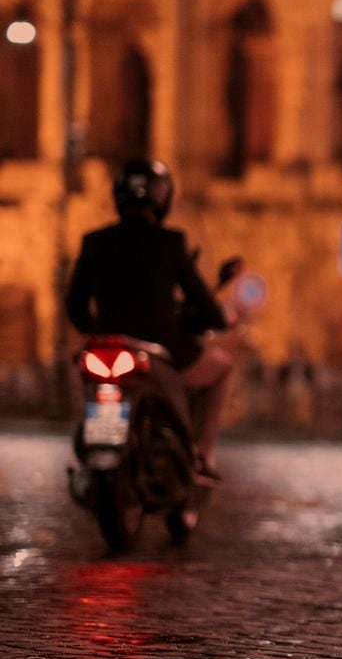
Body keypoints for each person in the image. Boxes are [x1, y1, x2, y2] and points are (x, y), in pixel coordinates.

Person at [65, 159, 234, 481]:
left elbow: (75, 304)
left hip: (105, 348)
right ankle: (203, 452)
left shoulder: (94, 242)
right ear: (164, 198)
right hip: (161, 350)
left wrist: (98, 328)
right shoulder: (170, 242)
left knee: (87, 385)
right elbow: (205, 305)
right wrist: (213, 318)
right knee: (223, 367)